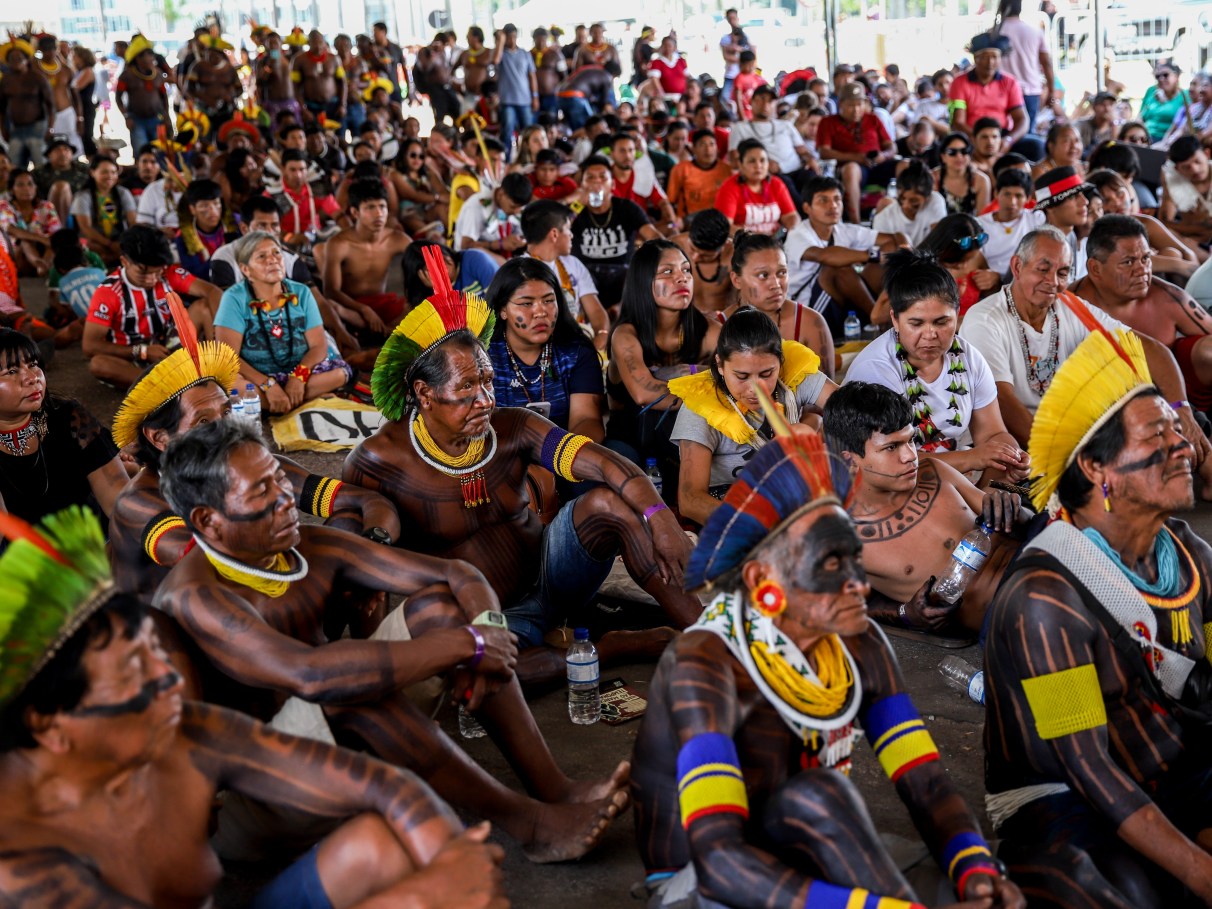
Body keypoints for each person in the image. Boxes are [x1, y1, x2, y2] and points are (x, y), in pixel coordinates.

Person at [0, 504, 512, 909]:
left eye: (154, 657)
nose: (167, 680)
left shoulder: (183, 729)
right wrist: (421, 896)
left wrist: (450, 860)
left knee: (380, 845)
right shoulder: (25, 867)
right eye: (134, 675)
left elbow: (387, 786)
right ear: (51, 727)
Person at [632, 426, 1024, 909]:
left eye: (854, 561)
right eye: (831, 566)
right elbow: (721, 863)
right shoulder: (706, 663)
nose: (857, 584)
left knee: (818, 797)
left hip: (802, 839)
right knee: (816, 795)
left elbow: (925, 781)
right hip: (702, 879)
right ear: (762, 580)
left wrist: (974, 868)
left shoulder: (859, 643)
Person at [346, 243, 700, 658]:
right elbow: (358, 567)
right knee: (486, 669)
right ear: (423, 393)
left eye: (488, 381)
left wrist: (661, 520)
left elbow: (604, 462)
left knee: (607, 503)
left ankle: (710, 633)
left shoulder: (512, 424)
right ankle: (608, 650)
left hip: (555, 574)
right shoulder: (377, 459)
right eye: (466, 388)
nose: (485, 399)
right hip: (489, 617)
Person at [984, 326, 1212, 906]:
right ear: (1095, 466)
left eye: (1177, 428)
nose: (1183, 443)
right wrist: (1199, 870)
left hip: (1176, 759)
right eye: (1157, 433)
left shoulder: (1193, 555)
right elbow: (1086, 766)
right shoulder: (1042, 598)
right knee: (1116, 894)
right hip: (1066, 792)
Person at [108, 332, 398, 604]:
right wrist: (344, 564)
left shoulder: (247, 464)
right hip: (179, 638)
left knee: (351, 525)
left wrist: (372, 547)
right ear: (160, 438)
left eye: (226, 413)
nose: (224, 430)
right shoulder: (140, 502)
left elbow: (367, 501)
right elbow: (220, 568)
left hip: (250, 606)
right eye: (204, 423)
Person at [959, 227, 1212, 473]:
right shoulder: (985, 318)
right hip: (1019, 444)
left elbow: (1150, 350)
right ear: (1017, 267)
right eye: (1043, 269)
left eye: (1063, 272)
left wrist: (1182, 409)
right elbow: (1002, 402)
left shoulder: (1071, 306)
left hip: (1074, 430)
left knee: (1170, 415)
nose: (1053, 282)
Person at [823, 380, 1025, 638]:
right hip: (1010, 614)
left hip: (1037, 555)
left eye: (910, 441)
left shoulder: (935, 472)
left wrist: (1011, 505)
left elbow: (1017, 521)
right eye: (891, 447)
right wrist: (906, 614)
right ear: (849, 459)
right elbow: (838, 607)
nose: (910, 456)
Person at [846, 248, 1027, 480]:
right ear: (895, 320)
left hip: (956, 478)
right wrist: (974, 458)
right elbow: (890, 463)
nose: (930, 335)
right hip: (894, 484)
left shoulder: (967, 356)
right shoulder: (876, 370)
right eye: (917, 323)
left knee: (1018, 501)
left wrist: (1009, 460)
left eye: (942, 322)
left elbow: (994, 434)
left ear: (958, 315)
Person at [670, 307, 833, 525]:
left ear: (780, 363)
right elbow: (690, 500)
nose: (756, 388)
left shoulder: (794, 377)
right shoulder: (699, 409)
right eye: (742, 376)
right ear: (720, 365)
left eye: (766, 374)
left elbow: (849, 409)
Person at [604, 241, 721, 490]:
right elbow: (646, 395)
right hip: (631, 439)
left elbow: (737, 380)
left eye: (686, 270)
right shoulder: (626, 335)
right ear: (643, 282)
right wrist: (703, 380)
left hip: (692, 436)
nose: (682, 279)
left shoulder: (707, 331)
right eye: (668, 272)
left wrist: (691, 375)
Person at [1073, 214, 1212, 423]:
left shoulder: (1168, 296)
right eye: (1128, 262)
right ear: (1095, 269)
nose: (1142, 270)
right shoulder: (1068, 306)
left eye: (1146, 259)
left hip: (1181, 401)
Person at [215, 231, 351, 414]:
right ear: (246, 269)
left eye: (276, 253)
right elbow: (227, 355)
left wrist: (298, 378)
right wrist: (268, 384)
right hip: (256, 378)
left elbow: (319, 345)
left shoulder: (301, 292)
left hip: (301, 374)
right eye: (261, 256)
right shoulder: (233, 298)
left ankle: (279, 402)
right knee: (232, 385)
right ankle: (299, 399)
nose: (272, 260)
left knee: (340, 374)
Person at [0, 329, 125, 523]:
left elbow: (117, 497)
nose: (32, 377)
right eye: (11, 371)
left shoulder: (69, 417)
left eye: (33, 364)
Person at [82, 225, 220, 389]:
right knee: (99, 364)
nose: (152, 279)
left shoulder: (169, 272)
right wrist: (143, 351)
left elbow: (212, 291)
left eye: (157, 272)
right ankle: (168, 386)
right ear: (124, 261)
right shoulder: (108, 292)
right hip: (131, 355)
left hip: (170, 346)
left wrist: (220, 333)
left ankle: (217, 368)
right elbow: (90, 346)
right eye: (143, 273)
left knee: (203, 307)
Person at [485, 256, 604, 440]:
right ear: (502, 310)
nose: (541, 312)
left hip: (565, 460)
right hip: (500, 459)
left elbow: (586, 419)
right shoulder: (482, 357)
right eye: (526, 303)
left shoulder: (576, 352)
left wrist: (559, 460)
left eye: (548, 300)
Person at [785, 175, 905, 334]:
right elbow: (824, 256)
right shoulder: (798, 234)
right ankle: (880, 320)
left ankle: (885, 313)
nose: (833, 205)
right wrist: (873, 255)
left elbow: (892, 239)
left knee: (887, 258)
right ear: (807, 208)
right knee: (836, 268)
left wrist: (905, 247)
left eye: (837, 199)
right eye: (823, 200)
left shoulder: (843, 229)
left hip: (841, 303)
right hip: (809, 308)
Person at [721, 231, 835, 375]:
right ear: (736, 280)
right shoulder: (719, 328)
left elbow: (828, 395)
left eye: (782, 273)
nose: (775, 284)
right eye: (763, 275)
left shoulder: (810, 323)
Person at [322, 180, 412, 336]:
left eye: (382, 207)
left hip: (383, 304)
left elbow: (425, 267)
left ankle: (386, 331)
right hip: (351, 308)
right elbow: (331, 291)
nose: (378, 214)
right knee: (331, 307)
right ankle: (388, 333)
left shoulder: (398, 239)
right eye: (370, 208)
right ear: (355, 213)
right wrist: (363, 309)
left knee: (422, 304)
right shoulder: (339, 243)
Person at [571, 156, 661, 308]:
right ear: (582, 185)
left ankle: (619, 311)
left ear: (612, 184)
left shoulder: (626, 208)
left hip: (622, 272)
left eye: (602, 178)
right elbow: (557, 231)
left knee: (637, 276)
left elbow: (653, 235)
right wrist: (577, 204)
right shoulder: (575, 210)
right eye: (590, 178)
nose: (596, 183)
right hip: (585, 272)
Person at [520, 199, 610, 348]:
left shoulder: (573, 263)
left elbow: (596, 311)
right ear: (554, 234)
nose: (571, 235)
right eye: (568, 229)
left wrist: (601, 335)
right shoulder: (520, 273)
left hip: (582, 342)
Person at [1086, 169, 1200, 279]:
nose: (1117, 203)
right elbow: (1127, 264)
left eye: (1120, 194)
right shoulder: (1098, 235)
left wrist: (1195, 276)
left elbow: (1188, 253)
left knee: (1172, 253)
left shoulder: (1144, 223)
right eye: (1107, 200)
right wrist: (1178, 266)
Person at [948, 33, 1041, 161]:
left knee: (1037, 146)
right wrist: (980, 140)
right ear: (976, 58)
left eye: (995, 57)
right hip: (971, 136)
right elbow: (958, 122)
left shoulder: (1009, 82)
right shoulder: (959, 82)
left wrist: (1008, 140)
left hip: (1002, 135)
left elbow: (1022, 119)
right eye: (985, 57)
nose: (990, 62)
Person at [816, 82, 897, 222]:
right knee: (851, 169)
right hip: (853, 169)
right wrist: (856, 158)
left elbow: (891, 146)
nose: (856, 110)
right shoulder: (828, 122)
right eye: (850, 105)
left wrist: (883, 155)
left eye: (859, 105)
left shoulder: (873, 119)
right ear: (840, 104)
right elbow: (824, 152)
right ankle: (856, 223)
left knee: (908, 166)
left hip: (879, 164)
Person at [713, 138, 799, 236]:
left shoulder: (776, 184)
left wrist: (782, 233)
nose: (758, 165)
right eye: (751, 161)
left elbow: (791, 216)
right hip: (743, 244)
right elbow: (725, 226)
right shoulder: (729, 187)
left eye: (762, 160)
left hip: (776, 241)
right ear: (740, 165)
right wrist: (756, 240)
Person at [993, 0, 1054, 129]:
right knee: (1027, 132)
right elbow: (1047, 63)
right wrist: (1051, 91)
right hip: (1030, 90)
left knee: (1003, 131)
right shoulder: (1034, 31)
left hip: (1001, 91)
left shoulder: (994, 33)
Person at [977, 168, 1046, 276]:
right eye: (1007, 194)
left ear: (1028, 198)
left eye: (1018, 196)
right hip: (989, 282)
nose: (1012, 202)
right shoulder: (979, 224)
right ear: (996, 193)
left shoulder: (1036, 219)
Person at [453, 172, 533, 265]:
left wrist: (520, 240)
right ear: (501, 194)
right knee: (506, 266)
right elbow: (466, 245)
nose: (516, 212)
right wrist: (499, 244)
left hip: (502, 254)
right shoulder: (476, 207)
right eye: (513, 207)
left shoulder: (516, 205)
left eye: (520, 208)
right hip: (469, 258)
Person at [71, 156, 137, 267]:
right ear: (92, 173)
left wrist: (126, 242)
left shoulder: (123, 193)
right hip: (94, 241)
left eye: (113, 172)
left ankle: (110, 260)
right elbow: (85, 228)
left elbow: (133, 222)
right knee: (91, 248)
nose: (110, 176)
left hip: (119, 240)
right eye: (104, 172)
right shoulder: (82, 196)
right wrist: (110, 244)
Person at [0, 37, 54, 170]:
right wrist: (3, 129)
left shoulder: (38, 78)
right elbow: (1, 108)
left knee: (41, 165)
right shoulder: (6, 81)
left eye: (19, 58)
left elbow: (50, 105)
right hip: (16, 129)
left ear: (26, 59)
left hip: (37, 128)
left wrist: (50, 127)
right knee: (14, 166)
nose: (15, 62)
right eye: (12, 59)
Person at [672, 209, 736, 316]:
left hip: (725, 323)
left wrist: (721, 318)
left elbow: (745, 302)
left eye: (705, 256)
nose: (695, 258)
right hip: (684, 321)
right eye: (692, 249)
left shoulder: (736, 255)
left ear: (723, 246)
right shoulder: (673, 247)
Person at [173, 179, 237, 282]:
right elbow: (194, 275)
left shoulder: (235, 224)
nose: (212, 211)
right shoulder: (184, 237)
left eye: (216, 203)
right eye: (205, 206)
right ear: (192, 209)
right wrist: (222, 253)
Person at [872, 159, 947, 247]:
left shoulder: (935, 200)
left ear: (927, 197)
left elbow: (939, 240)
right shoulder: (883, 219)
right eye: (902, 198)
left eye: (914, 201)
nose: (906, 205)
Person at [0, 170, 61, 276]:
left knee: (53, 243)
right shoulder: (5, 206)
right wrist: (41, 238)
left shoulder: (46, 206)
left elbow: (55, 232)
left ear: (36, 187)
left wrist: (46, 241)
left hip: (43, 251)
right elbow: (12, 230)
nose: (26, 188)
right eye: (20, 185)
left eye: (30, 184)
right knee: (24, 241)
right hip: (16, 255)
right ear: (12, 190)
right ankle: (39, 265)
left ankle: (43, 267)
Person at [1159, 136, 1212, 252]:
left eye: (1197, 161)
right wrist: (1200, 229)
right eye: (1186, 167)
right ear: (1177, 169)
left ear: (1207, 154)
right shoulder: (1173, 180)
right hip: (1192, 241)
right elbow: (1165, 224)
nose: (1195, 169)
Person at [491, 24, 538, 154]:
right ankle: (505, 160)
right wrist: (500, 41)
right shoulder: (500, 54)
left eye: (514, 37)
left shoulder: (525, 54)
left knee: (528, 133)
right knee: (506, 133)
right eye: (509, 37)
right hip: (507, 101)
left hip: (525, 100)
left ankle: (528, 158)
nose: (512, 40)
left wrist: (535, 96)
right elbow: (495, 61)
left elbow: (532, 76)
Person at [935, 131, 992, 216]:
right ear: (943, 157)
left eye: (964, 151)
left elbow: (983, 218)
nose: (959, 156)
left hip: (971, 228)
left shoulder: (981, 181)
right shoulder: (933, 178)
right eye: (952, 152)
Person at [1139, 59, 1188, 142]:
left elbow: (1184, 124)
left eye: (1165, 75)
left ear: (1176, 77)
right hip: (1146, 137)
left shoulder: (1184, 95)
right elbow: (1140, 117)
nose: (1161, 79)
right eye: (1157, 76)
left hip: (1171, 140)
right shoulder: (1151, 91)